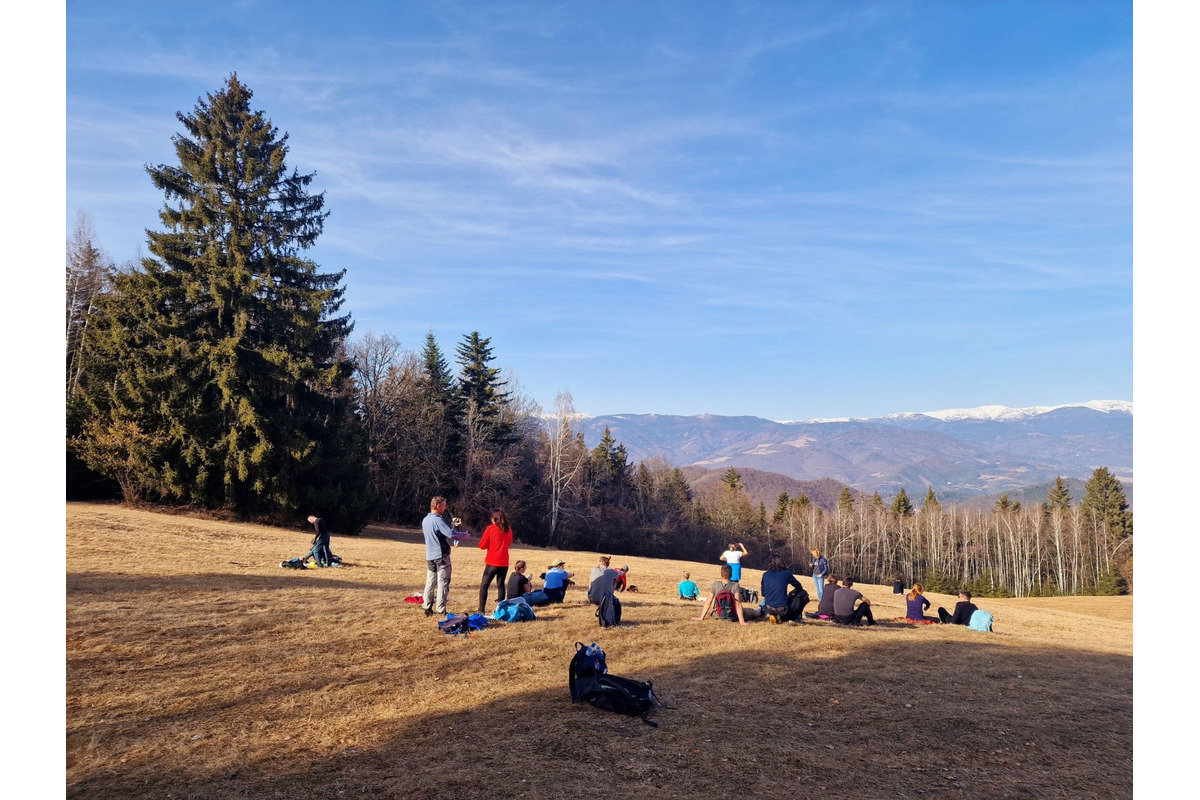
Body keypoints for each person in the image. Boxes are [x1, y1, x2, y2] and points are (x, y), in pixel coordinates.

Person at [421, 496, 469, 617]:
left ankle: (427, 607)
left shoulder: (426, 520)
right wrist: (465, 535)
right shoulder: (438, 520)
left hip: (430, 555)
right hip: (441, 556)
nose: (445, 507)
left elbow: (441, 534)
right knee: (443, 582)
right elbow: (451, 534)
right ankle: (441, 609)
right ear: (438, 506)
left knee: (430, 581)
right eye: (444, 505)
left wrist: (452, 525)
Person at [476, 508, 513, 614]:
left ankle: (481, 609)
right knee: (500, 585)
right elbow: (509, 542)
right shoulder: (508, 529)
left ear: (494, 518)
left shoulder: (491, 529)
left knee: (484, 585)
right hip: (504, 562)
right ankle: (501, 610)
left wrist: (490, 545)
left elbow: (482, 545)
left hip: (492, 562)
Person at [760, 554, 802, 624]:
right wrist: (792, 592)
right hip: (782, 608)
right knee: (803, 593)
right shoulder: (786, 574)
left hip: (768, 608)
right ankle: (795, 617)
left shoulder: (765, 575)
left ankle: (774, 615)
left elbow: (764, 593)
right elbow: (799, 587)